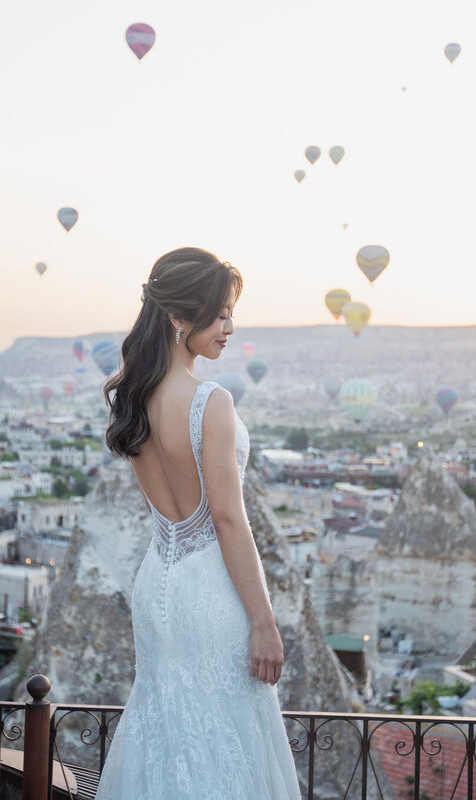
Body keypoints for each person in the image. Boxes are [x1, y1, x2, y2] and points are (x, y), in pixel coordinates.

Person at [94, 248, 301, 798]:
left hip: (158, 580)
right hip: (210, 587)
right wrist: (265, 622)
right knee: (226, 728)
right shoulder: (210, 401)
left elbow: (167, 508)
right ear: (179, 317)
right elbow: (229, 520)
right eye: (221, 314)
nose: (230, 328)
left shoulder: (135, 399)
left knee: (166, 725)